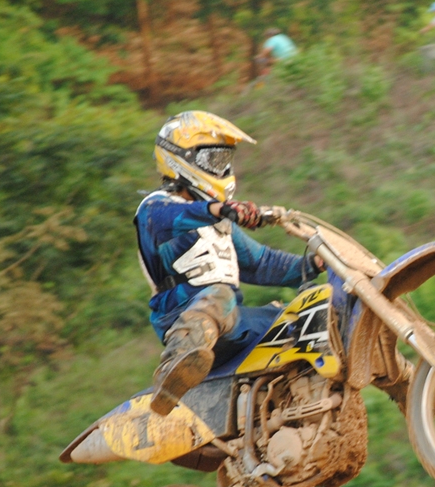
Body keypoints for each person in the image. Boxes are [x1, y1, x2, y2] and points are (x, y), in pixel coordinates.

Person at [137, 110, 321, 416]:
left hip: (230, 321)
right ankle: (175, 367)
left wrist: (314, 263)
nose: (221, 168)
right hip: (180, 315)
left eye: (224, 160)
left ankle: (300, 406)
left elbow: (261, 263)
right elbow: (171, 217)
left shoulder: (219, 221)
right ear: (179, 160)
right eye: (213, 160)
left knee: (304, 317)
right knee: (220, 294)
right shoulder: (155, 209)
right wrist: (220, 209)